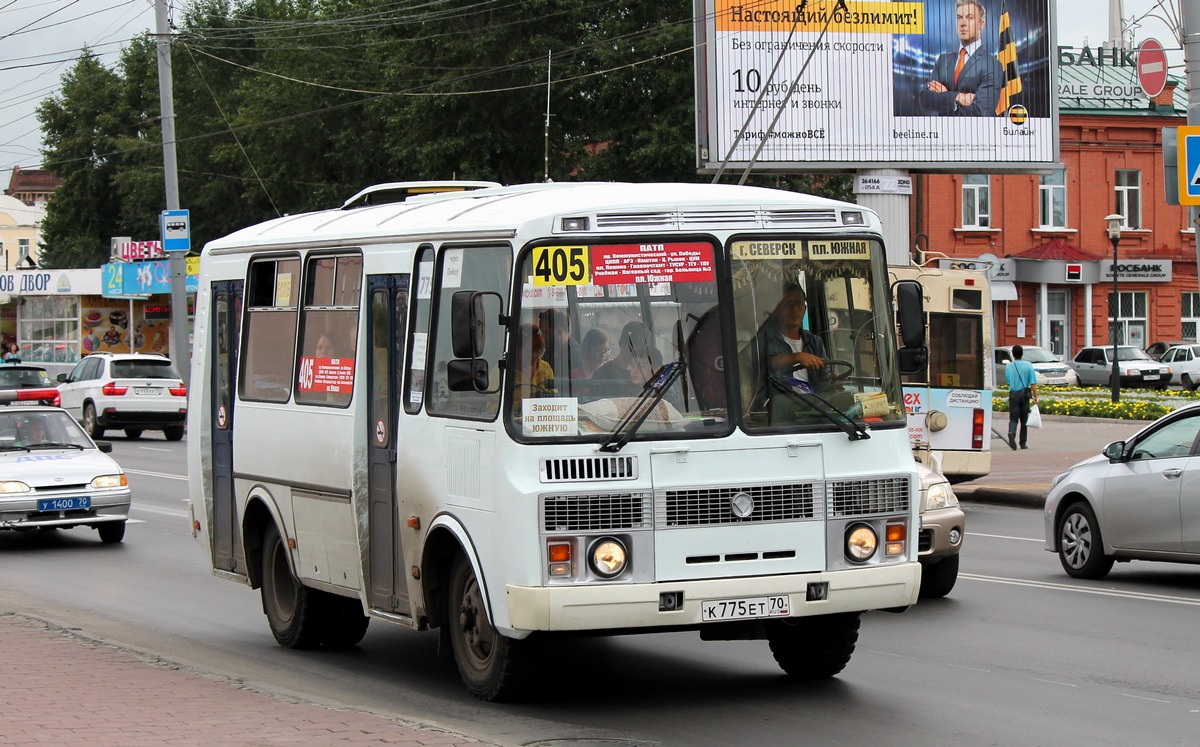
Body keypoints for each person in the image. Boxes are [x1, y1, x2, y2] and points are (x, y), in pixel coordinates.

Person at [915, 0, 1003, 117]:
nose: (963, 23)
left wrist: (946, 97)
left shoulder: (992, 65)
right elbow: (925, 99)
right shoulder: (943, 60)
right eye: (959, 17)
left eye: (970, 18)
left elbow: (980, 113)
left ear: (981, 24)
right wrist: (958, 97)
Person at [593, 322, 663, 397]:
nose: (637, 353)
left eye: (642, 349)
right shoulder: (602, 375)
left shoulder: (648, 374)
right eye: (632, 348)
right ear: (621, 344)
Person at [512, 323, 556, 409]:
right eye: (530, 350)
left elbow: (555, 398)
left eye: (538, 350)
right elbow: (491, 407)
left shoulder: (545, 368)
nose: (535, 354)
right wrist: (522, 404)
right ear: (517, 349)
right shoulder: (504, 371)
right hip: (512, 421)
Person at [1005, 344, 1038, 450]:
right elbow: (1033, 383)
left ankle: (1012, 432)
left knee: (1013, 418)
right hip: (1024, 395)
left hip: (1013, 394)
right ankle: (1023, 443)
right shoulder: (1028, 365)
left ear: (1013, 354)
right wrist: (1036, 396)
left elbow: (1008, 381)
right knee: (1024, 420)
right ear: (1022, 354)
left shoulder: (1009, 366)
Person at [538, 309, 581, 382]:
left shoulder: (577, 356)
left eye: (545, 332)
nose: (542, 337)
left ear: (559, 331)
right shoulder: (550, 353)